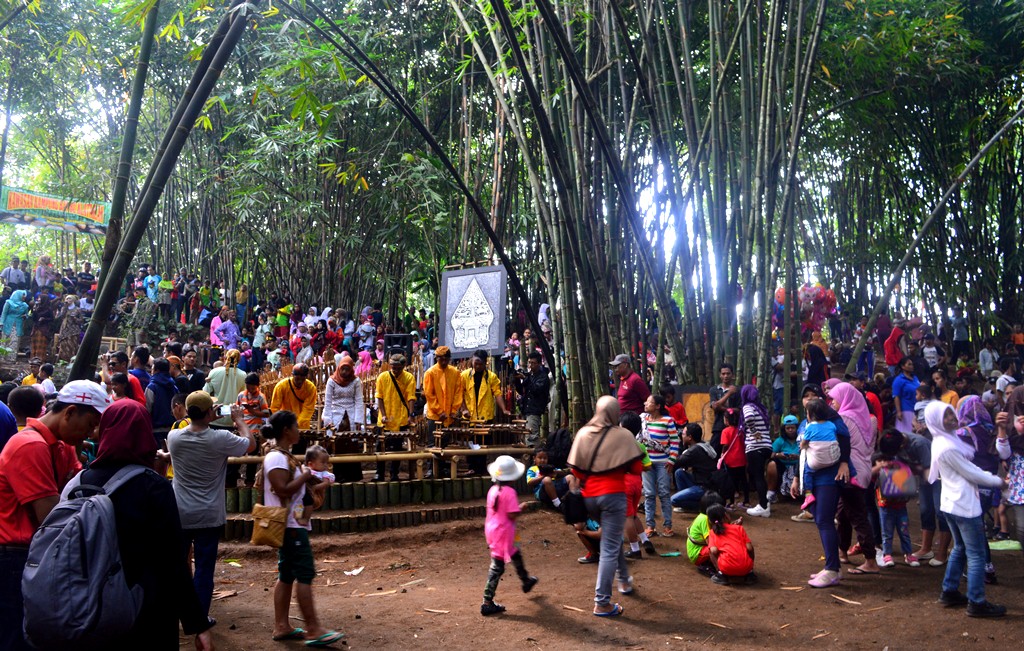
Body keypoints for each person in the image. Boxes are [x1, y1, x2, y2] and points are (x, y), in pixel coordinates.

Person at [65, 400, 215, 649]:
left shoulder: (78, 484)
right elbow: (173, 561)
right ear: (144, 434)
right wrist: (197, 623)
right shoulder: (154, 487)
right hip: (148, 609)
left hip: (88, 607)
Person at [0, 380, 108, 650]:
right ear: (69, 413)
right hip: (14, 554)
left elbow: (73, 490)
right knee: (17, 635)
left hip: (34, 551)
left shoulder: (61, 446)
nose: (92, 433)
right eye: (91, 424)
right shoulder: (30, 445)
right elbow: (51, 516)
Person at [167, 391, 255, 617]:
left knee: (177, 566)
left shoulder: (174, 438)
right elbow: (250, 444)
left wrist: (206, 419)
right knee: (204, 570)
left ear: (187, 411)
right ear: (208, 412)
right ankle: (199, 618)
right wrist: (239, 420)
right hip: (208, 514)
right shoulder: (219, 439)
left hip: (181, 512)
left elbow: (197, 430)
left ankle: (177, 612)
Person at [261, 411, 344, 645]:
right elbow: (282, 488)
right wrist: (305, 476)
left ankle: (282, 626)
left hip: (290, 524)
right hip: (291, 526)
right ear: (287, 430)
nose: (299, 430)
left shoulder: (281, 455)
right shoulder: (277, 458)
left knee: (286, 575)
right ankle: (313, 628)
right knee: (304, 574)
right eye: (296, 426)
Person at [926, 401, 1006, 617]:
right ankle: (977, 602)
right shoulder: (948, 446)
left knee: (960, 548)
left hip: (951, 503)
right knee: (977, 554)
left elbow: (970, 468)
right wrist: (998, 481)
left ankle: (949, 590)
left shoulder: (943, 440)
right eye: (947, 417)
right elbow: (970, 473)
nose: (953, 419)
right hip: (963, 506)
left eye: (952, 414)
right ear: (936, 422)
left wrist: (991, 478)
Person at [567, 396, 644, 616]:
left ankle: (624, 580)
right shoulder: (624, 435)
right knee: (610, 546)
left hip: (590, 497)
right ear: (615, 412)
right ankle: (602, 602)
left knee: (611, 539)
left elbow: (577, 473)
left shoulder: (583, 433)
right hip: (613, 497)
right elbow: (637, 469)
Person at [790, 384, 851, 587]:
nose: (809, 399)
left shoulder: (833, 420)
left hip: (829, 477)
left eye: (813, 395)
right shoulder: (805, 423)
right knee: (820, 519)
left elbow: (845, 439)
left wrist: (844, 462)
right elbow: (803, 452)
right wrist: (797, 478)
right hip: (811, 477)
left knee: (825, 520)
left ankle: (833, 569)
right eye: (805, 396)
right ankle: (831, 567)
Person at [830, 382, 881, 574]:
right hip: (864, 470)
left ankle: (870, 560)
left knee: (858, 515)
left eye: (835, 399)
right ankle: (842, 550)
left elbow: (838, 444)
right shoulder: (868, 419)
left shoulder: (844, 418)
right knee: (843, 513)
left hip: (849, 471)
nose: (833, 403)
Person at [480, 455, 539, 616]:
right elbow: (512, 514)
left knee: (515, 554)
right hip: (504, 532)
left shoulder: (493, 490)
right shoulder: (510, 492)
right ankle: (487, 601)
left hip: (493, 530)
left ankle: (526, 580)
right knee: (497, 567)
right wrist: (522, 507)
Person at [639, 394, 679, 536]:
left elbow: (675, 441)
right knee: (649, 494)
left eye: (649, 402)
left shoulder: (667, 421)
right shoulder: (642, 420)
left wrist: (671, 460)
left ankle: (667, 525)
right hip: (647, 463)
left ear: (658, 406)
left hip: (663, 463)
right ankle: (650, 526)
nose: (645, 403)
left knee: (664, 493)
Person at [373, 353, 416, 481]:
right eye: (393, 368)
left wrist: (411, 415)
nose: (396, 371)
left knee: (397, 447)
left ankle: (394, 473)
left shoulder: (409, 378)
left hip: (400, 417)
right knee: (380, 446)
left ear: (403, 366)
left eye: (398, 368)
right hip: (385, 419)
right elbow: (379, 397)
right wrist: (383, 415)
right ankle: (379, 473)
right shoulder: (382, 377)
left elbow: (411, 397)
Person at [738, 385, 773, 517]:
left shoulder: (748, 407)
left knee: (758, 476)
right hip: (766, 446)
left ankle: (763, 506)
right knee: (760, 475)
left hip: (755, 446)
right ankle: (765, 503)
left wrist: (753, 431)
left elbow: (748, 418)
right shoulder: (761, 408)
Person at [670, 423, 718, 512]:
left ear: (690, 437)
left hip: (704, 488)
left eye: (683, 434)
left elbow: (676, 462)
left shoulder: (694, 450)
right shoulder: (703, 444)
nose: (681, 435)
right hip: (704, 483)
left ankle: (700, 507)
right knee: (679, 473)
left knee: (673, 500)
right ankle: (692, 500)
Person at [422, 345, 462, 448]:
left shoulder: (455, 372)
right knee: (433, 444)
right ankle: (432, 464)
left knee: (444, 444)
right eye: (441, 359)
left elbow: (458, 393)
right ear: (436, 358)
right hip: (435, 415)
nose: (444, 362)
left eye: (446, 359)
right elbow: (429, 394)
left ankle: (442, 464)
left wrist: (453, 410)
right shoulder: (430, 373)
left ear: (449, 359)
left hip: (449, 416)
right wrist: (439, 411)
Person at [706, 503, 756, 585]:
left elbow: (714, 551)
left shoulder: (712, 532)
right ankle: (750, 573)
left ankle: (721, 575)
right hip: (746, 567)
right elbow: (749, 548)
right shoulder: (739, 528)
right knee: (750, 547)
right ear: (726, 515)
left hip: (727, 568)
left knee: (711, 550)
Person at [513, 351, 551, 447]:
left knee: (532, 437)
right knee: (525, 436)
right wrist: (517, 380)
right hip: (526, 409)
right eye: (529, 362)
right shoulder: (531, 375)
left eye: (533, 363)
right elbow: (522, 391)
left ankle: (533, 459)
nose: (530, 365)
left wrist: (526, 377)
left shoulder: (543, 377)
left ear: (539, 363)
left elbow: (536, 390)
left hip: (534, 410)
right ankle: (528, 458)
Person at [204, 348, 248, 429]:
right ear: (238, 360)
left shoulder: (214, 372)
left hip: (215, 416)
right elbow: (243, 397)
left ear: (225, 358)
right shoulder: (243, 375)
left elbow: (205, 393)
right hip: (233, 418)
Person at [686, 491, 723, 577]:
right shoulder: (705, 519)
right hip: (697, 552)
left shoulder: (704, 516)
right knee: (720, 548)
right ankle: (713, 567)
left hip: (697, 549)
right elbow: (710, 542)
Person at [270, 363, 319, 429]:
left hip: (302, 426)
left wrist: (297, 424)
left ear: (306, 377)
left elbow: (308, 409)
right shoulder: (281, 386)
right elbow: (274, 408)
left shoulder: (311, 388)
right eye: (297, 379)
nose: (300, 382)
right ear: (292, 375)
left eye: (302, 379)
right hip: (285, 426)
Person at [297, 445, 334, 527]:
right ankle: (297, 517)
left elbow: (325, 483)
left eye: (326, 462)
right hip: (303, 493)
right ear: (310, 464)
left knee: (308, 502)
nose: (326, 465)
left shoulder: (324, 473)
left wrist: (314, 488)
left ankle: (306, 519)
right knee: (298, 503)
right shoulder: (305, 469)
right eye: (323, 462)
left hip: (315, 495)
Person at [146, 357, 179, 446]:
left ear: (156, 370)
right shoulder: (174, 387)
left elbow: (147, 409)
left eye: (152, 367)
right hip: (172, 429)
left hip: (155, 430)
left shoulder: (152, 387)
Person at [766, 415, 800, 504]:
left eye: (792, 428)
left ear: (797, 428)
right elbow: (770, 454)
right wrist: (778, 455)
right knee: (772, 464)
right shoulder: (780, 440)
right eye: (787, 428)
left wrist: (798, 457)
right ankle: (771, 493)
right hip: (783, 467)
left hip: (798, 467)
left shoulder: (802, 439)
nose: (790, 430)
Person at [708, 363, 739, 452]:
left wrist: (721, 407)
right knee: (713, 453)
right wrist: (729, 393)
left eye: (728, 373)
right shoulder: (714, 390)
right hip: (718, 426)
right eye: (723, 373)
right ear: (720, 375)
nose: (726, 376)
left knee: (733, 453)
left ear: (733, 375)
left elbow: (739, 410)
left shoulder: (737, 391)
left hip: (734, 428)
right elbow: (715, 406)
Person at [892, 357, 920, 434]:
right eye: (909, 364)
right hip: (906, 409)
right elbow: (896, 396)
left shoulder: (915, 378)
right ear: (903, 366)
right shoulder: (899, 380)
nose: (912, 366)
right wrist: (898, 411)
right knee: (906, 432)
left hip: (916, 408)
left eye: (912, 364)